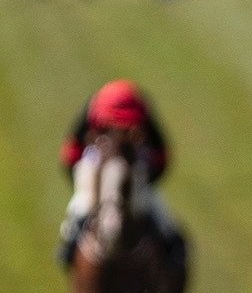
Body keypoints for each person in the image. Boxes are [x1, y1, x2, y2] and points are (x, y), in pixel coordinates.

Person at [57, 80, 180, 267]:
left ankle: (170, 244)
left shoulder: (143, 115)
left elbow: (161, 155)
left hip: (136, 172)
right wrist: (82, 181)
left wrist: (148, 179)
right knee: (83, 204)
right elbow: (71, 152)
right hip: (94, 169)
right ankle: (71, 242)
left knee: (153, 206)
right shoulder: (93, 111)